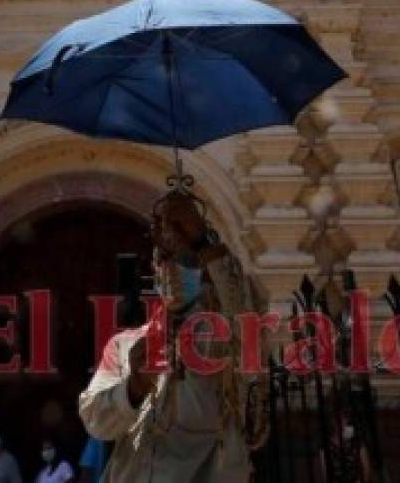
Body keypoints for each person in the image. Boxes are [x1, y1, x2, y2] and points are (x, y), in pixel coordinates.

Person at [78, 186, 269, 482]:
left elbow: (246, 310)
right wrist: (134, 388)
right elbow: (94, 418)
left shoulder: (221, 336)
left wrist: (202, 239)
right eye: (164, 258)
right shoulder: (126, 344)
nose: (172, 267)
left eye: (186, 260)